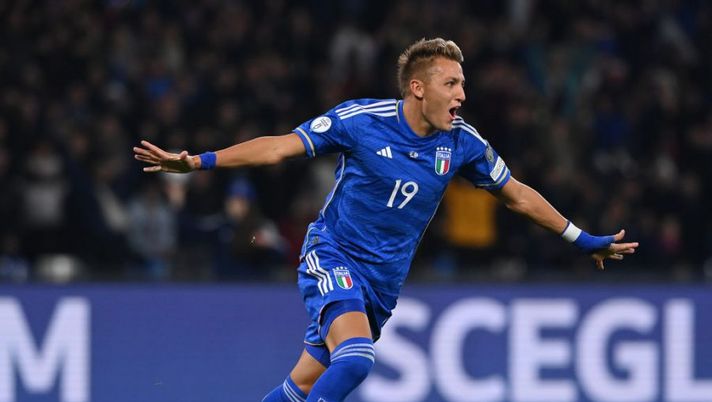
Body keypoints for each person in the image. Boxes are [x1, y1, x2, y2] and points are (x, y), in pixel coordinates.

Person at [133, 38, 639, 402]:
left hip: (381, 286)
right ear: (418, 88)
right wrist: (198, 162)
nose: (462, 94)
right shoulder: (361, 121)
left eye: (463, 84)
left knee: (303, 385)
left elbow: (518, 196)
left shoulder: (463, 142)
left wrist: (579, 238)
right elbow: (279, 147)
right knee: (355, 359)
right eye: (452, 83)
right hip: (331, 255)